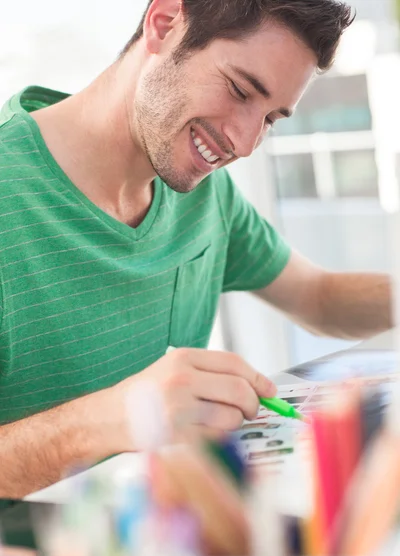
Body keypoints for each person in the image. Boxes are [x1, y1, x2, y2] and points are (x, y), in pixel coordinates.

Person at [0, 0, 392, 498]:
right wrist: (108, 420)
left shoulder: (203, 193)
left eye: (270, 118)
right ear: (164, 24)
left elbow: (317, 297)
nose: (246, 143)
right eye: (239, 90)